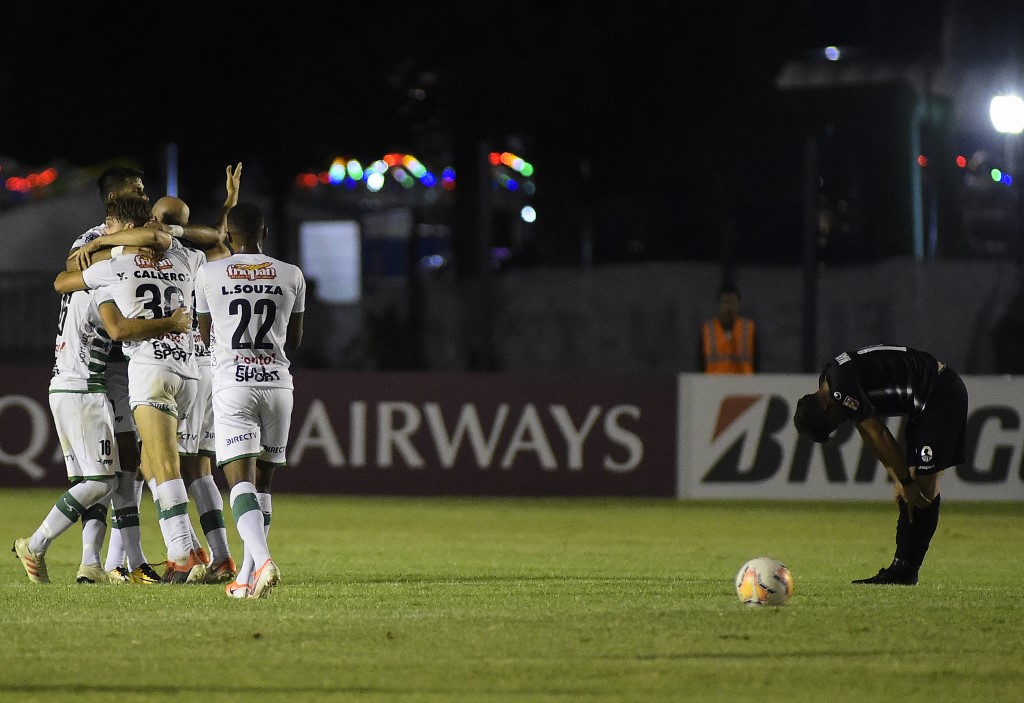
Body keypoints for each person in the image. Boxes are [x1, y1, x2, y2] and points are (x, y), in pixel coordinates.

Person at [12, 202, 190, 585]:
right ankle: (38, 543)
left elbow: (61, 281)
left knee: (97, 480)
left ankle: (92, 564)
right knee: (105, 482)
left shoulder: (94, 271)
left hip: (77, 383)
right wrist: (170, 323)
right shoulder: (108, 274)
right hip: (84, 387)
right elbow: (119, 330)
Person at [55, 196, 209, 583]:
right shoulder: (187, 259)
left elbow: (62, 282)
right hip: (189, 373)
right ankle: (191, 548)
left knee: (162, 465)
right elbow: (210, 240)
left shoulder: (116, 266)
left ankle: (180, 553)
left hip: (150, 371)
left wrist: (95, 248)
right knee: (150, 466)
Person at [194, 202, 305, 599]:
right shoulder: (292, 274)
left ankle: (265, 560)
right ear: (265, 233)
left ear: (228, 235)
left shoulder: (207, 273)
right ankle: (246, 575)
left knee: (239, 482)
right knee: (265, 484)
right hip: (279, 386)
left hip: (233, 386)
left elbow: (206, 334)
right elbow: (294, 338)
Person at [792, 344, 968, 586]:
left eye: (832, 423)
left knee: (923, 488)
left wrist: (905, 480)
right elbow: (867, 432)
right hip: (923, 403)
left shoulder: (841, 390)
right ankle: (902, 569)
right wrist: (898, 477)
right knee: (912, 489)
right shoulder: (830, 380)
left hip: (941, 394)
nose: (838, 423)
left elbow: (880, 434)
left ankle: (905, 571)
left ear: (826, 407)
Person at [65, 165, 162, 585]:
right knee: (105, 469)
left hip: (126, 366)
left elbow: (159, 238)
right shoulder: (92, 240)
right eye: (137, 190)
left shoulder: (131, 235)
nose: (145, 194)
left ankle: (118, 562)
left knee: (129, 466)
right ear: (115, 198)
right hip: (101, 365)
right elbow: (70, 269)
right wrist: (115, 241)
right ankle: (92, 559)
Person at [148, 164, 241, 584]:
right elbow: (221, 239)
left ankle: (183, 553)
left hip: (178, 363)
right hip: (206, 367)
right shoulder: (198, 257)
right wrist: (226, 207)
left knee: (157, 464)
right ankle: (221, 557)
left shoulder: (147, 255)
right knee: (199, 468)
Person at [698, 283, 757, 374]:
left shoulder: (749, 328)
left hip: (744, 384)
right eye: (725, 302)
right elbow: (699, 362)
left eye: (732, 302)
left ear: (739, 303)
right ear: (718, 304)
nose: (728, 307)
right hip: (714, 384)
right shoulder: (707, 329)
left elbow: (758, 361)